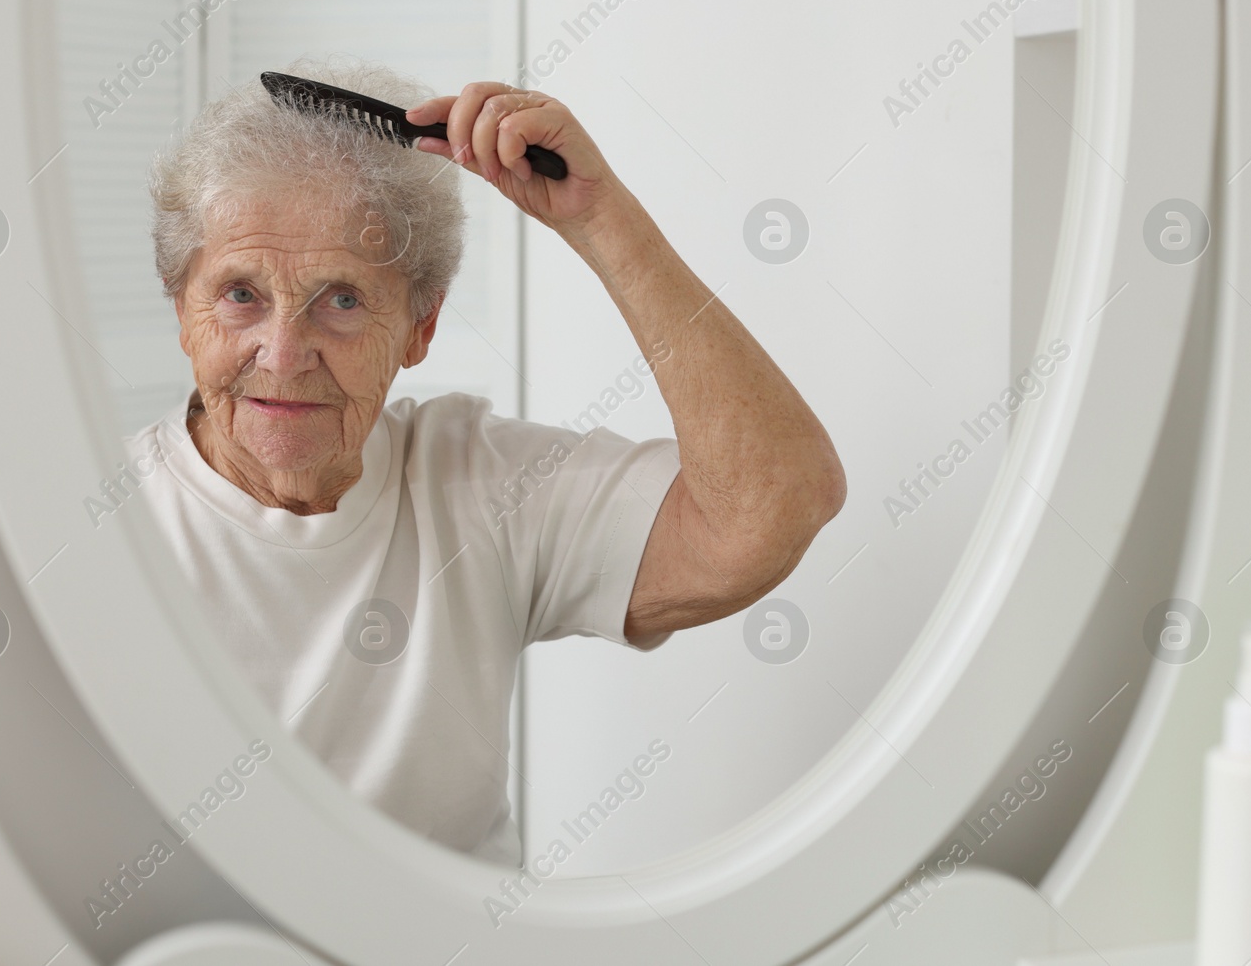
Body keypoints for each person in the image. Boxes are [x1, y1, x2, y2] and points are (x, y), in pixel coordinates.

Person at [124, 56, 846, 866]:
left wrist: (601, 217)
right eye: (239, 294)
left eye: (344, 299)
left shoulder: (478, 484)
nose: (284, 354)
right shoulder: (99, 526)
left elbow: (776, 500)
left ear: (420, 329)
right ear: (180, 309)